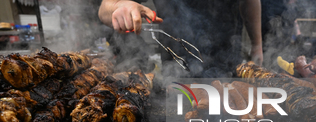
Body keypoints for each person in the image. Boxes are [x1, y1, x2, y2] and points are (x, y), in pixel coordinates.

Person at [98, 0, 263, 78]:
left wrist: (257, 45)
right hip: (176, 69)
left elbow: (250, 2)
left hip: (227, 62)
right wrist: (120, 7)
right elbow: (105, 8)